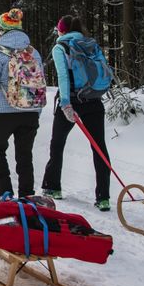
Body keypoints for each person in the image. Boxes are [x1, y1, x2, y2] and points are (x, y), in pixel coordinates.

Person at [40, 15, 114, 211]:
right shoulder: (90, 44)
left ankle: (52, 187)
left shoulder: (60, 48)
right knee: (99, 147)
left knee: (57, 143)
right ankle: (103, 197)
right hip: (94, 100)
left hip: (71, 101)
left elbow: (63, 77)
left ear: (61, 31)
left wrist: (65, 104)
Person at [0, 8, 46, 198]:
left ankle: (6, 194)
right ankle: (27, 197)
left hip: (4, 114)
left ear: (0, 30)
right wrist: (35, 112)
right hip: (30, 112)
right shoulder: (33, 52)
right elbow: (40, 83)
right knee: (25, 156)